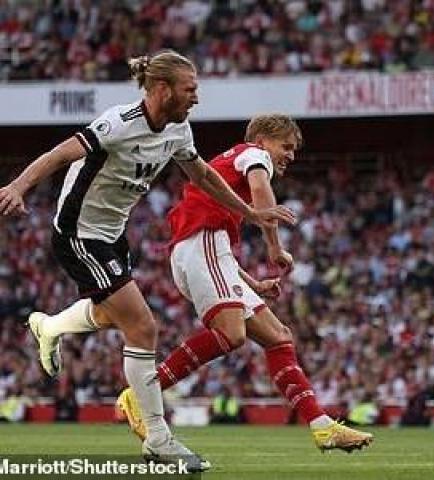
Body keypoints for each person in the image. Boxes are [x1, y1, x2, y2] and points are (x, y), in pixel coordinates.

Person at [0, 50, 296, 472]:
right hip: (79, 233)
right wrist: (18, 185)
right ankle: (158, 438)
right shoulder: (119, 123)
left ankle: (49, 327)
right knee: (142, 326)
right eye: (190, 89)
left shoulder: (178, 129)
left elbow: (204, 176)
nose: (196, 98)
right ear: (162, 89)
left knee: (109, 316)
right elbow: (61, 154)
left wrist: (248, 214)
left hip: (113, 235)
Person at [115, 113, 374, 453]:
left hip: (205, 249)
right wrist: (274, 247)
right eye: (287, 146)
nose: (290, 156)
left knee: (279, 338)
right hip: (201, 245)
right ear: (264, 139)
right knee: (233, 334)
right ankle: (142, 392)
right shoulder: (254, 153)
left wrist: (254, 284)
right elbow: (260, 190)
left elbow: (219, 252)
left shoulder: (229, 165)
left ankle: (322, 426)